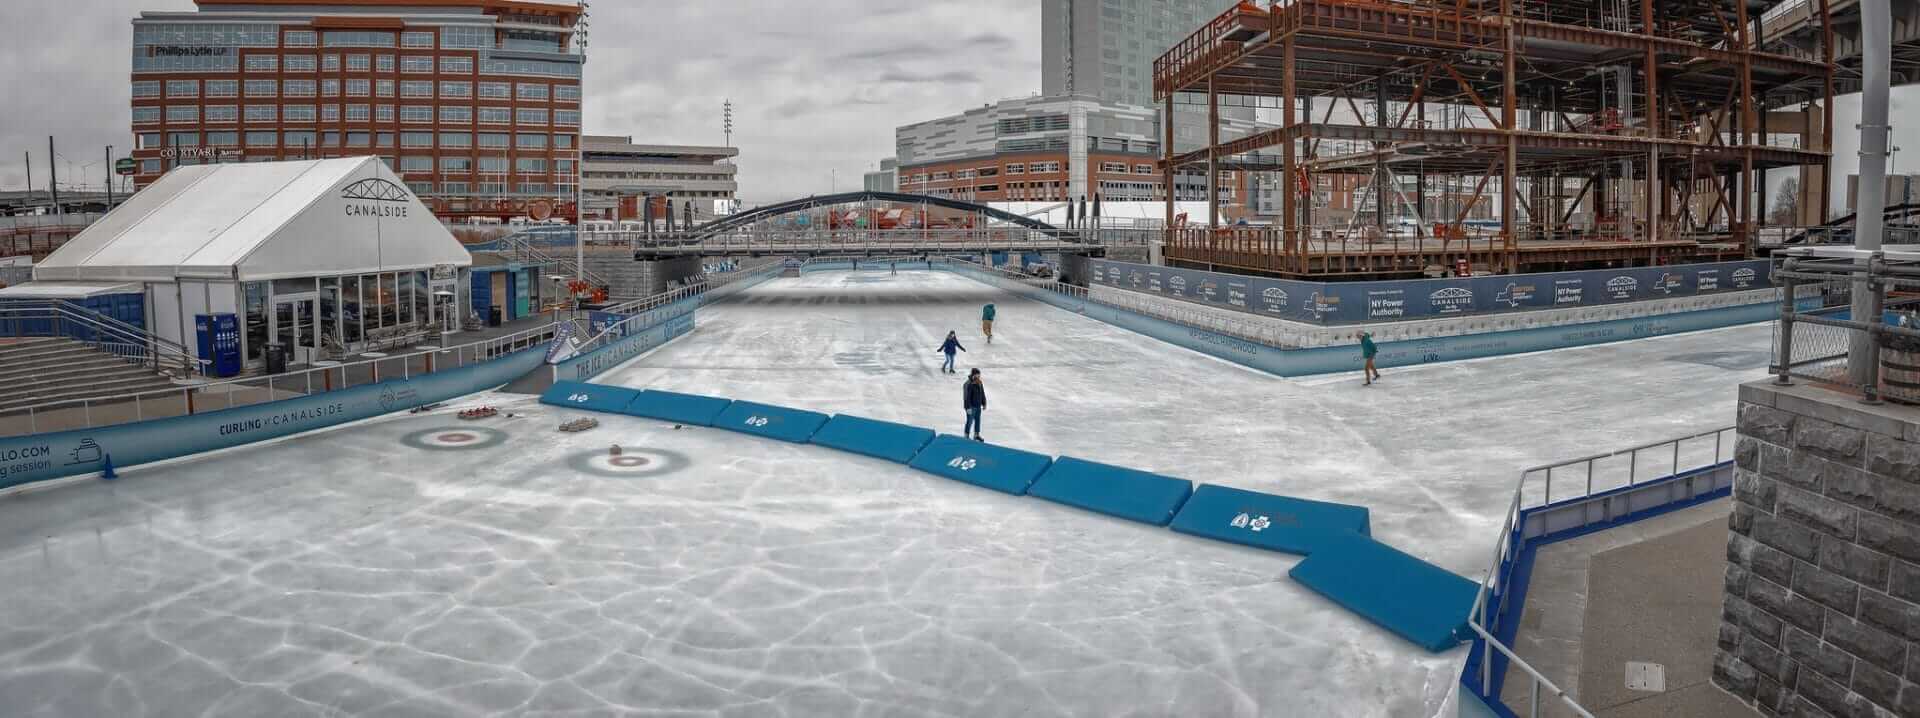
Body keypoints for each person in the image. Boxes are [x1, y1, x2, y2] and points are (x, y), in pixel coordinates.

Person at [963, 368, 987, 441]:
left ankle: (976, 435)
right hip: (971, 407)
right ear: (973, 375)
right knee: (969, 421)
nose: (979, 376)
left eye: (979, 375)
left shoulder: (979, 382)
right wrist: (968, 408)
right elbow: (966, 397)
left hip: (978, 406)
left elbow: (982, 393)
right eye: (977, 375)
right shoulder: (968, 384)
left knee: (977, 420)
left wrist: (984, 402)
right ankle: (966, 435)